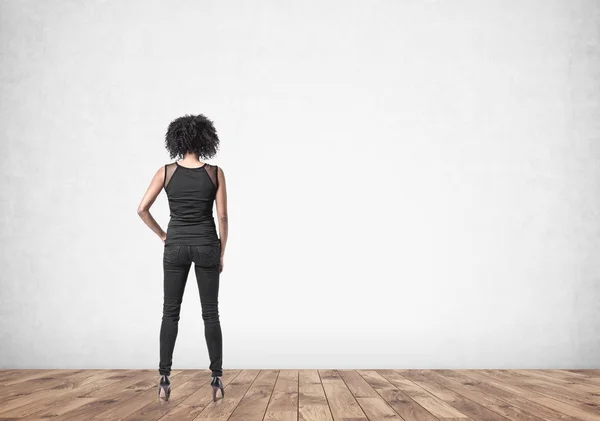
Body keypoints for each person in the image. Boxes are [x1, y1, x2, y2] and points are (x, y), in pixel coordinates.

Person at [136, 113, 228, 402]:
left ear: (177, 140)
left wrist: (164, 235)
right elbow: (222, 216)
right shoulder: (215, 173)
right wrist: (221, 251)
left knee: (170, 311)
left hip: (175, 246)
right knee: (210, 313)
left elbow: (142, 209)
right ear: (206, 140)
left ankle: (164, 378)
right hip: (206, 246)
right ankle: (216, 380)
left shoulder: (166, 172)